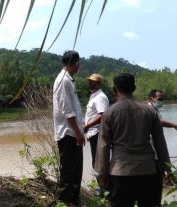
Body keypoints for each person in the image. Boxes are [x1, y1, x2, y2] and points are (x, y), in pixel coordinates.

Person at [94, 73, 171, 207]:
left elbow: (103, 146)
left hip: (120, 173)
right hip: (148, 171)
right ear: (134, 88)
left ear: (115, 89)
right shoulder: (149, 111)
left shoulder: (110, 113)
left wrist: (103, 174)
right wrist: (167, 168)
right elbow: (160, 142)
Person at [52, 50, 85, 206]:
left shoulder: (68, 80)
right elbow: (67, 110)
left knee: (76, 168)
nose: (79, 67)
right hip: (68, 133)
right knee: (69, 170)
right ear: (75, 64)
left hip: (73, 133)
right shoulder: (63, 80)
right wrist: (78, 132)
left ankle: (73, 200)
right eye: (78, 64)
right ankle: (66, 201)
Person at [83, 73, 109, 195]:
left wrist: (87, 126)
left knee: (99, 162)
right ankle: (103, 188)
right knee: (96, 161)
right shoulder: (93, 96)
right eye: (89, 81)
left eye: (93, 82)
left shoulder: (100, 97)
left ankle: (105, 190)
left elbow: (102, 115)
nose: (90, 83)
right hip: (93, 133)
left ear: (99, 83)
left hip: (98, 133)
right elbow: (92, 115)